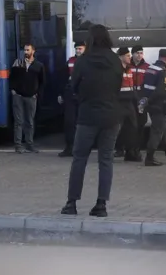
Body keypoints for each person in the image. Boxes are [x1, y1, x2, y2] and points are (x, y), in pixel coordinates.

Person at [60, 25, 123, 217]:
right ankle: (101, 204)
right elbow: (118, 86)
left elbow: (74, 86)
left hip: (87, 116)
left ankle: (71, 203)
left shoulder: (83, 60)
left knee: (79, 159)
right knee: (106, 160)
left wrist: (84, 97)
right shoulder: (114, 60)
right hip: (112, 116)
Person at [139, 49, 166, 166]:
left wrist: (146, 101)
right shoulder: (164, 72)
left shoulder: (150, 69)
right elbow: (160, 91)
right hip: (160, 105)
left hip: (151, 105)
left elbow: (144, 86)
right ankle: (149, 158)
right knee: (157, 131)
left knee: (161, 129)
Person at [10, 43, 45, 154]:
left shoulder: (39, 66)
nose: (25, 52)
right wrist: (13, 90)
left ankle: (29, 144)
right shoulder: (18, 63)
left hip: (31, 97)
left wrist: (37, 94)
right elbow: (11, 78)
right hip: (18, 96)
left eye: (28, 50)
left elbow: (43, 82)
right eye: (24, 50)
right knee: (18, 122)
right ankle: (18, 145)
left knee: (29, 121)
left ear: (33, 51)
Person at [58, 41, 86, 157]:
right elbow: (62, 78)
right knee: (69, 122)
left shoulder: (88, 61)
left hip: (84, 94)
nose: (78, 51)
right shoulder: (70, 61)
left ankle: (82, 149)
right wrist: (60, 94)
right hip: (70, 93)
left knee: (83, 123)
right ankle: (69, 148)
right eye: (77, 49)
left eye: (80, 49)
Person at [113, 47, 141, 162]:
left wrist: (137, 100)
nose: (130, 57)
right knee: (115, 129)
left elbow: (131, 87)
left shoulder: (129, 69)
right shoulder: (115, 70)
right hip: (118, 103)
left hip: (129, 103)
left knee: (132, 128)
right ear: (121, 57)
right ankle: (111, 152)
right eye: (128, 56)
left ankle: (130, 153)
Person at [130, 45, 150, 152]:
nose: (139, 55)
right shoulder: (127, 66)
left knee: (141, 122)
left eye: (141, 53)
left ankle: (137, 147)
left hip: (142, 99)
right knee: (129, 124)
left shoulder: (147, 67)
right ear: (132, 54)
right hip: (130, 98)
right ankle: (127, 147)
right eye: (137, 53)